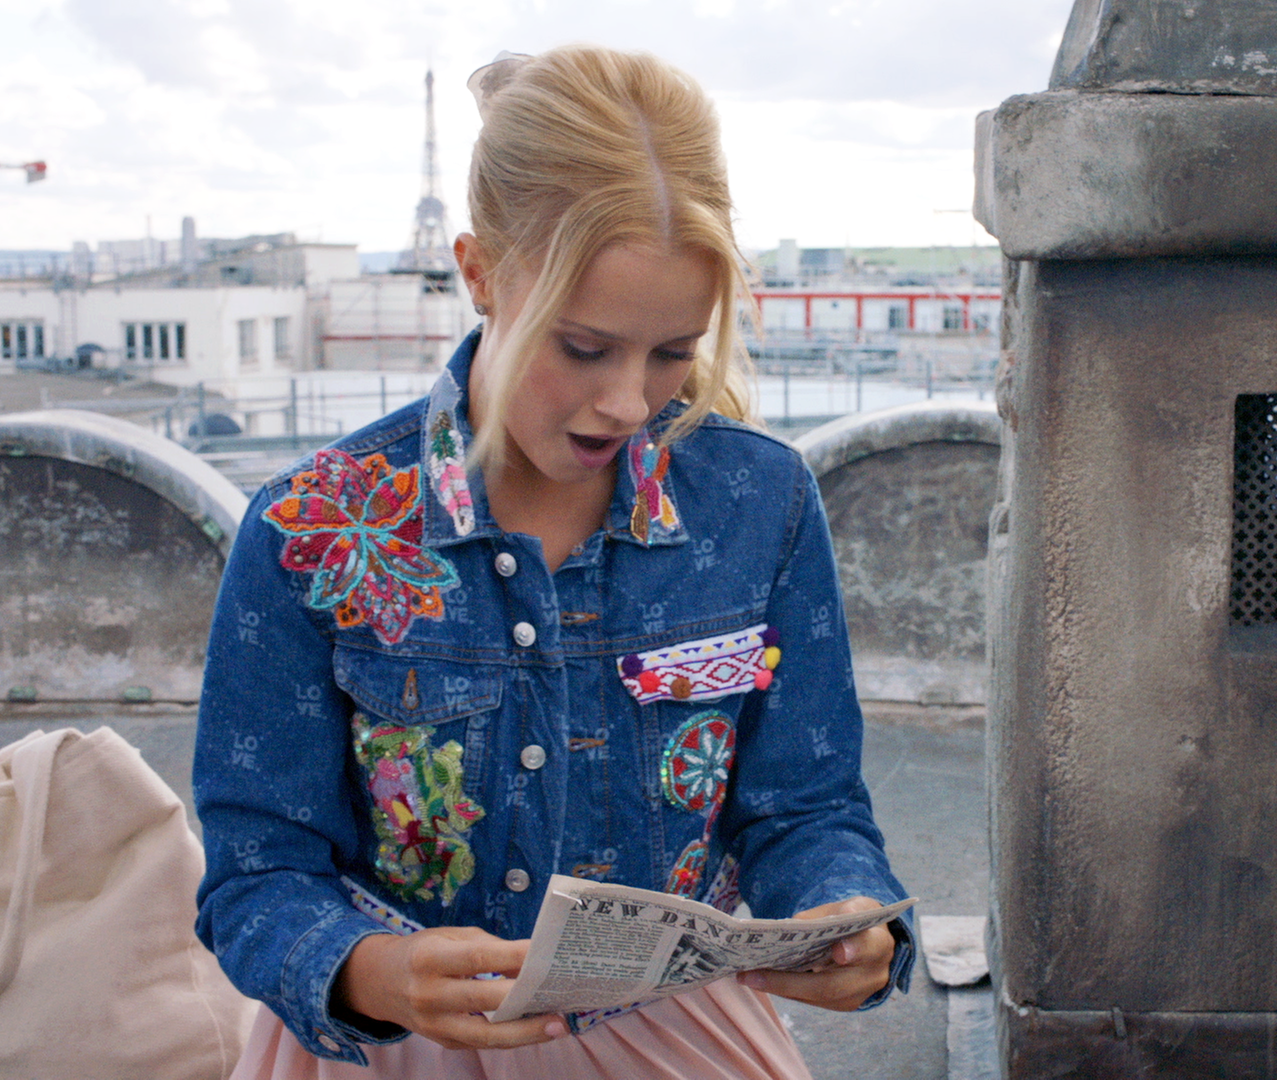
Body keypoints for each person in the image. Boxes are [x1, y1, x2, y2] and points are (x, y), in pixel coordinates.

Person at [192, 44, 913, 1079]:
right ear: (481, 271)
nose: (630, 401)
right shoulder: (311, 527)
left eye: (675, 352)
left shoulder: (764, 503)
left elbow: (805, 808)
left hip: (680, 1037)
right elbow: (253, 874)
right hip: (388, 1053)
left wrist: (844, 915)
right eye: (583, 347)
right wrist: (372, 973)